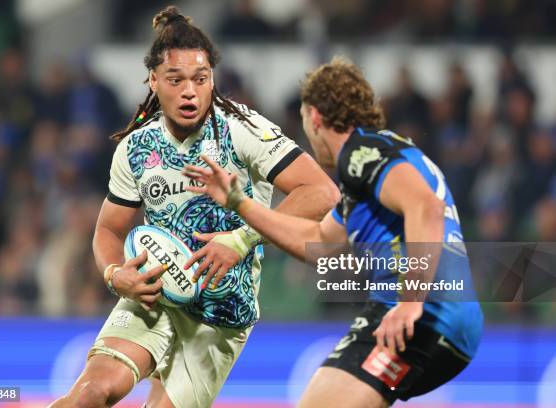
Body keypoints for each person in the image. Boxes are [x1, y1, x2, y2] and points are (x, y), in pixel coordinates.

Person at [48, 6, 339, 408]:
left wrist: (239, 240)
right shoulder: (136, 147)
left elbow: (322, 192)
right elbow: (109, 229)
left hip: (221, 314)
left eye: (201, 79)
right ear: (153, 80)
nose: (190, 91)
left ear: (212, 80)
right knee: (90, 393)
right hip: (154, 295)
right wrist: (116, 275)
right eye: (176, 79)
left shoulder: (242, 130)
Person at [184, 57, 483, 407]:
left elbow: (426, 209)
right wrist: (242, 206)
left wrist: (409, 302)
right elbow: (322, 243)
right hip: (448, 322)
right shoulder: (376, 163)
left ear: (315, 117)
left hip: (422, 315)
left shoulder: (362, 154)